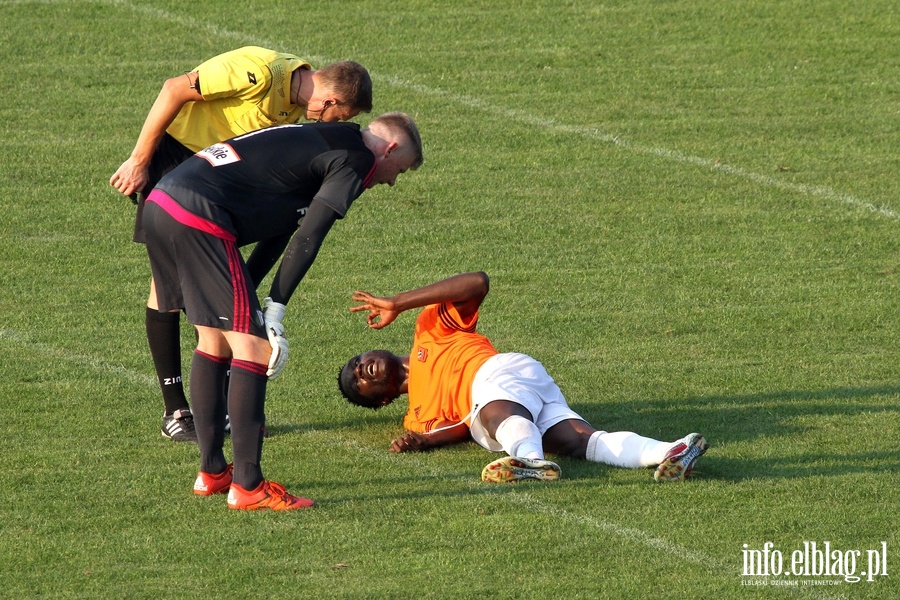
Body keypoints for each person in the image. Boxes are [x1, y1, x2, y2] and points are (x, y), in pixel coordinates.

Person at [142, 113, 424, 510]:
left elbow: (284, 226)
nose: (393, 181)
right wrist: (273, 313)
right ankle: (249, 486)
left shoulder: (326, 138)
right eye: (401, 170)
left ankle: (212, 472)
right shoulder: (358, 159)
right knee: (254, 350)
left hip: (163, 202)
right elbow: (311, 234)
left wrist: (258, 302)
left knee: (214, 340)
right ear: (390, 148)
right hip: (200, 216)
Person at [110, 46, 373, 442]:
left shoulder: (294, 107)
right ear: (331, 101)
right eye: (341, 116)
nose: (337, 123)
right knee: (169, 289)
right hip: (178, 161)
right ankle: (176, 410)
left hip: (215, 178)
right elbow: (173, 90)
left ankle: (217, 411)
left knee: (210, 298)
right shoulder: (260, 72)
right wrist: (139, 160)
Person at [337, 272, 708, 483]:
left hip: (497, 374)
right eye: (357, 381)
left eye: (357, 361)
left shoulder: (430, 330)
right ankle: (670, 450)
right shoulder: (416, 416)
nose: (360, 369)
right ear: (380, 400)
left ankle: (529, 460)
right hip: (526, 391)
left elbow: (477, 283)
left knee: (491, 417)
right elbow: (457, 429)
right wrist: (421, 441)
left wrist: (399, 302)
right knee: (581, 442)